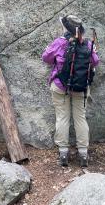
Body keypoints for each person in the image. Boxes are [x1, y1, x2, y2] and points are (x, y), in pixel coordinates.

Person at [41, 15, 100, 167]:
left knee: (62, 117)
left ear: (66, 28)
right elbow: (95, 61)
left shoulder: (60, 42)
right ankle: (83, 154)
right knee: (80, 118)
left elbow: (46, 58)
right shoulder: (87, 44)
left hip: (60, 85)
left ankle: (63, 153)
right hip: (81, 87)